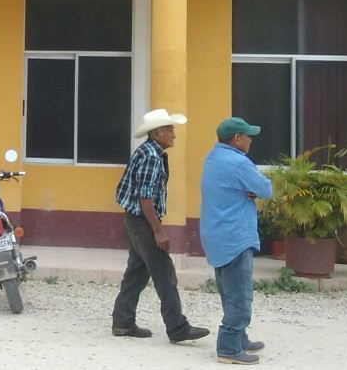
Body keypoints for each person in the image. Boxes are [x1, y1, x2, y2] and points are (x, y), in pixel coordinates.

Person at [111, 108, 210, 344]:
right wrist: (158, 231)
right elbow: (145, 198)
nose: (174, 134)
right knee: (165, 273)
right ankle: (177, 327)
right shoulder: (152, 157)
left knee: (136, 272)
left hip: (134, 220)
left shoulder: (147, 151)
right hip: (143, 222)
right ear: (157, 133)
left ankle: (122, 321)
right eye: (169, 129)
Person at [200, 117, 273, 365]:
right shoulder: (239, 162)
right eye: (248, 136)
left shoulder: (213, 158)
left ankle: (240, 338)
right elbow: (265, 189)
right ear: (237, 138)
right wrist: (252, 189)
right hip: (235, 237)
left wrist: (246, 189)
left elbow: (230, 187)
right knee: (240, 296)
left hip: (216, 235)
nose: (251, 141)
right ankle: (229, 348)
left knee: (228, 292)